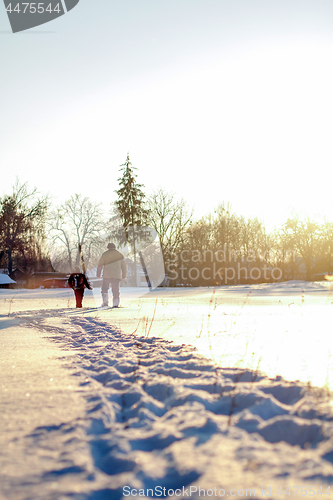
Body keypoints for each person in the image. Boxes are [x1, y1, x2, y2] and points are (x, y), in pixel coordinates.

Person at [97, 243, 127, 307]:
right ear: (115, 247)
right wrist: (124, 275)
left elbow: (100, 265)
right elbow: (124, 266)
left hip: (107, 275)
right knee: (115, 290)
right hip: (116, 275)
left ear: (108, 247)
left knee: (104, 289)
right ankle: (115, 304)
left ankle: (105, 303)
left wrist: (98, 274)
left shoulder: (105, 254)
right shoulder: (120, 255)